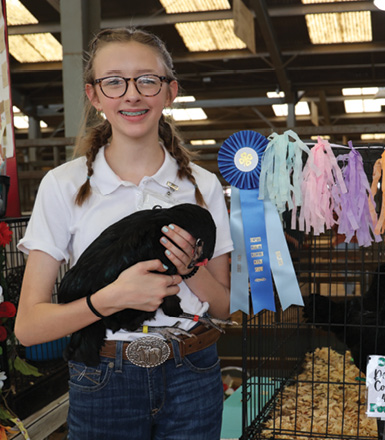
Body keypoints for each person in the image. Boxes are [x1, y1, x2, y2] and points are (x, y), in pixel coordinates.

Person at [14, 27, 233, 439]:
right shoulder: (63, 185)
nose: (132, 94)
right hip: (103, 376)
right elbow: (28, 327)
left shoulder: (203, 186)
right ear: (95, 95)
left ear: (170, 92)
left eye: (147, 80)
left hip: (193, 371)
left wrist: (189, 268)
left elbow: (223, 308)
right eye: (114, 81)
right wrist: (108, 301)